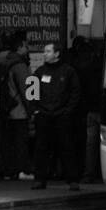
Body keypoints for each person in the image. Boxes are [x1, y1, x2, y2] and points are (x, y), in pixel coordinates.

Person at [28, 40, 81, 190]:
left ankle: (72, 179)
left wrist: (67, 111)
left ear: (57, 54)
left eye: (48, 51)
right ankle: (40, 179)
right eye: (45, 51)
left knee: (67, 147)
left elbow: (75, 93)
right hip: (44, 116)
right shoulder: (38, 72)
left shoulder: (68, 72)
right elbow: (31, 92)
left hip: (62, 116)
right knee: (41, 148)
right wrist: (36, 111)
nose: (45, 54)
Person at [0, 31, 32, 180]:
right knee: (21, 142)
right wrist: (33, 109)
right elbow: (29, 90)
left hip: (5, 108)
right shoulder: (20, 65)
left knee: (7, 142)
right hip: (19, 110)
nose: (28, 49)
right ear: (21, 46)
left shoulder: (1, 61)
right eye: (27, 45)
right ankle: (22, 170)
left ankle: (8, 171)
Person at [68, 35, 103, 184]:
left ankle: (87, 173)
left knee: (89, 142)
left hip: (83, 108)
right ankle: (96, 172)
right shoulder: (97, 64)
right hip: (98, 107)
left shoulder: (71, 65)